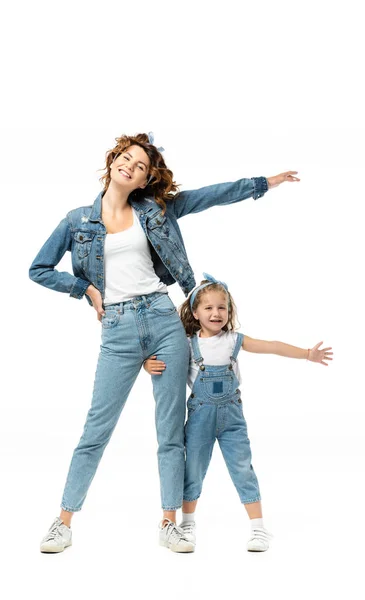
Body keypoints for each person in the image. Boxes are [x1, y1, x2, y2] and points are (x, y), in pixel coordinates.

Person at [29, 132, 300, 554]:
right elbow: (39, 268)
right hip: (117, 330)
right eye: (126, 158)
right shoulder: (76, 221)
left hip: (162, 320)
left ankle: (169, 522)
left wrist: (262, 183)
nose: (130, 166)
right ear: (113, 161)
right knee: (96, 430)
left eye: (140, 166)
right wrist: (84, 288)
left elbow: (207, 196)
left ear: (143, 181)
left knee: (170, 432)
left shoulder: (154, 209)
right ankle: (62, 522)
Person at [144, 273, 333, 551]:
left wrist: (306, 353)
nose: (216, 313)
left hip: (232, 420)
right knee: (192, 470)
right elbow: (156, 355)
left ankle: (258, 529)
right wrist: (148, 364)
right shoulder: (185, 344)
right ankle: (187, 524)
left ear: (229, 311)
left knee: (243, 468)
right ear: (195, 312)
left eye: (222, 307)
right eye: (208, 308)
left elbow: (272, 346)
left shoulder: (234, 340)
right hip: (199, 419)